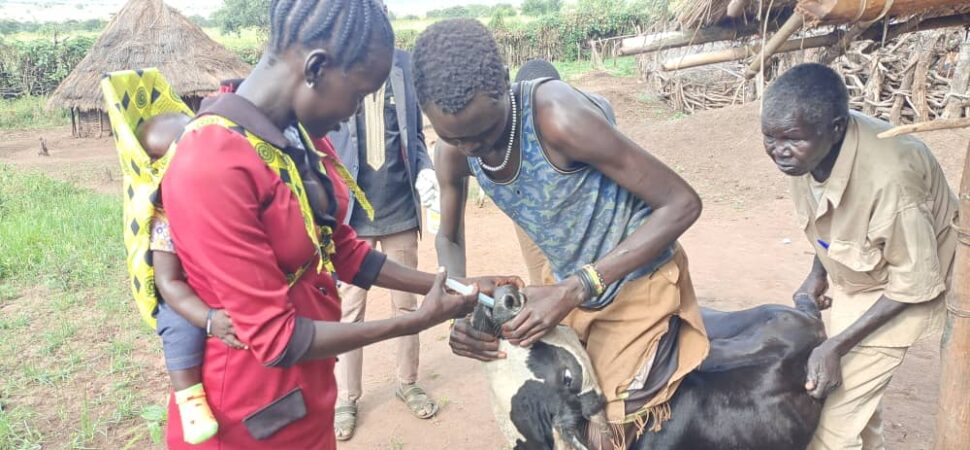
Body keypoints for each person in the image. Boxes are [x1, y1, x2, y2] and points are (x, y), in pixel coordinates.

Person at [160, 2, 513, 449]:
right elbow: (277, 339)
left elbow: (344, 252)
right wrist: (410, 323)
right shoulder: (210, 164)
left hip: (306, 398)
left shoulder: (297, 137)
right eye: (357, 93)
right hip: (249, 419)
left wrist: (454, 288)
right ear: (316, 68)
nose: (351, 114)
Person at [413, 19, 710, 444]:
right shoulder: (454, 152)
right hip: (566, 286)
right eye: (454, 137)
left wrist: (575, 289)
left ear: (504, 83)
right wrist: (463, 305)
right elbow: (450, 237)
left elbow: (682, 203)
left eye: (484, 133)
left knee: (607, 427)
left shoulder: (557, 117)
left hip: (637, 280)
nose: (474, 149)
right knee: (546, 413)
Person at [762, 63, 957, 450]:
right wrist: (817, 272)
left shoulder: (891, 180)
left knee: (827, 421)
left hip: (910, 286)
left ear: (835, 128)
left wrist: (835, 345)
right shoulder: (811, 152)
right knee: (849, 396)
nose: (778, 151)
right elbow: (831, 220)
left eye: (791, 139)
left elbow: (915, 281)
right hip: (865, 274)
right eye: (769, 138)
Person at [327, 40, 439, 439]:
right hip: (351, 219)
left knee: (406, 306)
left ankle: (407, 382)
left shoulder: (404, 67)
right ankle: (346, 398)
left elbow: (417, 139)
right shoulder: (334, 64)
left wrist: (426, 171)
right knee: (349, 310)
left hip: (400, 211)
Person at [139, 113, 245, 445]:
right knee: (179, 330)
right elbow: (168, 282)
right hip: (184, 297)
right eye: (164, 158)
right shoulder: (164, 213)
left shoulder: (220, 187)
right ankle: (190, 399)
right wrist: (209, 319)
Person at [509, 58, 614, 284]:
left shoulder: (583, 113)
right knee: (542, 280)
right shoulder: (514, 128)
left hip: (580, 198)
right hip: (530, 205)